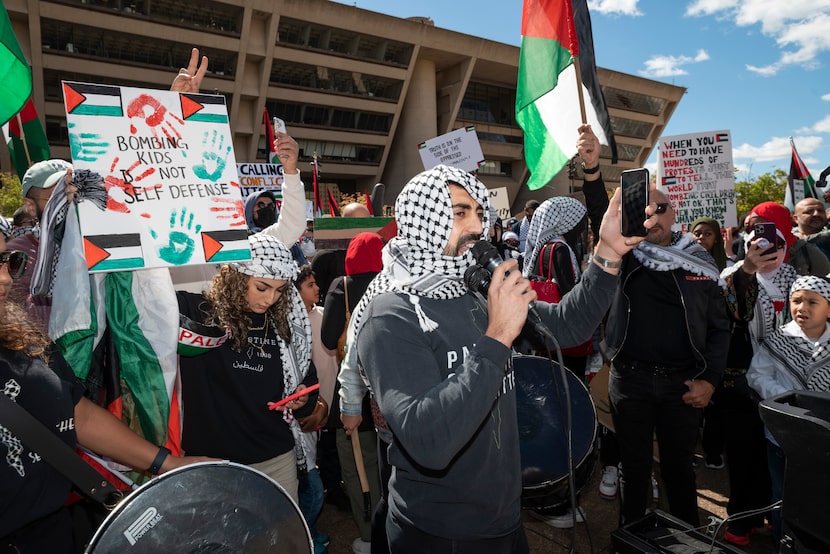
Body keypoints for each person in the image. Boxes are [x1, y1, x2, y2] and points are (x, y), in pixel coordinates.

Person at [350, 156, 653, 553]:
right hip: (442, 533)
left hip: (505, 519)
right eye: (459, 213)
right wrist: (496, 337)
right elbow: (429, 441)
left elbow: (566, 327)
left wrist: (608, 252)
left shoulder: (476, 289)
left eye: (478, 212)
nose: (476, 226)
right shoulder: (391, 312)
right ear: (423, 219)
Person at [0, 235, 210, 551]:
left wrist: (167, 464)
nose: (5, 277)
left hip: (55, 532)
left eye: (8, 261)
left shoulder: (22, 341)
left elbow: (76, 412)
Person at [604, 187, 731, 527]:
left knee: (680, 473)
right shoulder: (624, 254)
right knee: (633, 470)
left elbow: (720, 329)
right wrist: (592, 173)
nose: (650, 216)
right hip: (630, 381)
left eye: (658, 208)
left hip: (682, 385)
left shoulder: (700, 261)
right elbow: (598, 215)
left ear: (674, 212)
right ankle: (629, 541)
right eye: (642, 211)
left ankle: (687, 542)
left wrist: (710, 379)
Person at [176, 233, 319, 503]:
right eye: (262, 287)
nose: (270, 300)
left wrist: (302, 397)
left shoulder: (284, 327)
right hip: (212, 461)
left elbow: (309, 382)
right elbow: (146, 300)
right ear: (236, 278)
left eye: (279, 291)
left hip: (276, 459)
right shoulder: (199, 312)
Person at [519, 125, 609, 528]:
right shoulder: (559, 250)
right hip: (564, 343)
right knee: (566, 412)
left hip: (539, 344)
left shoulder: (537, 248)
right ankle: (558, 496)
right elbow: (574, 302)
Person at [747, 275, 830, 551]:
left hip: (823, 440)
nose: (802, 307)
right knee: (783, 495)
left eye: (812, 302)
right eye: (796, 300)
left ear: (828, 308)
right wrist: (785, 399)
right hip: (781, 437)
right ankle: (782, 545)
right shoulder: (778, 339)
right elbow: (756, 375)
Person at [322, 232, 385, 554]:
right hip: (390, 391)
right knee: (389, 466)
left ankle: (370, 535)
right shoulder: (394, 281)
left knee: (358, 466)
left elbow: (329, 337)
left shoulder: (342, 287)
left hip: (354, 394)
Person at [295, 265, 336, 554]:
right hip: (302, 411)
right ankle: (304, 536)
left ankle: (309, 532)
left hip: (326, 402)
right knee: (310, 482)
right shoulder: (291, 323)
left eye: (315, 284)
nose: (317, 288)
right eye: (309, 285)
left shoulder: (323, 316)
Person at [6, 159, 73, 331]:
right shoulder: (15, 254)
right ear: (30, 206)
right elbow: (18, 318)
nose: (69, 200)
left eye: (72, 190)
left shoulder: (91, 246)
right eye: (56, 196)